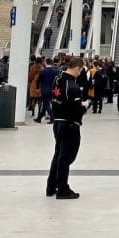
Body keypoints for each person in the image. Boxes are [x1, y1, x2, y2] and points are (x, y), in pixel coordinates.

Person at [46, 57, 87, 199]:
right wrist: (84, 106)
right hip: (69, 124)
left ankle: (51, 186)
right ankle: (62, 188)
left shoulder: (58, 81)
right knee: (66, 156)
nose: (81, 73)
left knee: (58, 154)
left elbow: (54, 100)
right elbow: (76, 109)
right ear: (77, 68)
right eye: (81, 70)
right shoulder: (72, 86)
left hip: (57, 122)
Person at [35, 58, 59, 123]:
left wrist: (37, 88)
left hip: (44, 89)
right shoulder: (55, 71)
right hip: (52, 90)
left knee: (46, 104)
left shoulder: (43, 71)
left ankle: (52, 117)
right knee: (45, 104)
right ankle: (39, 118)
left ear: (46, 62)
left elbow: (38, 80)